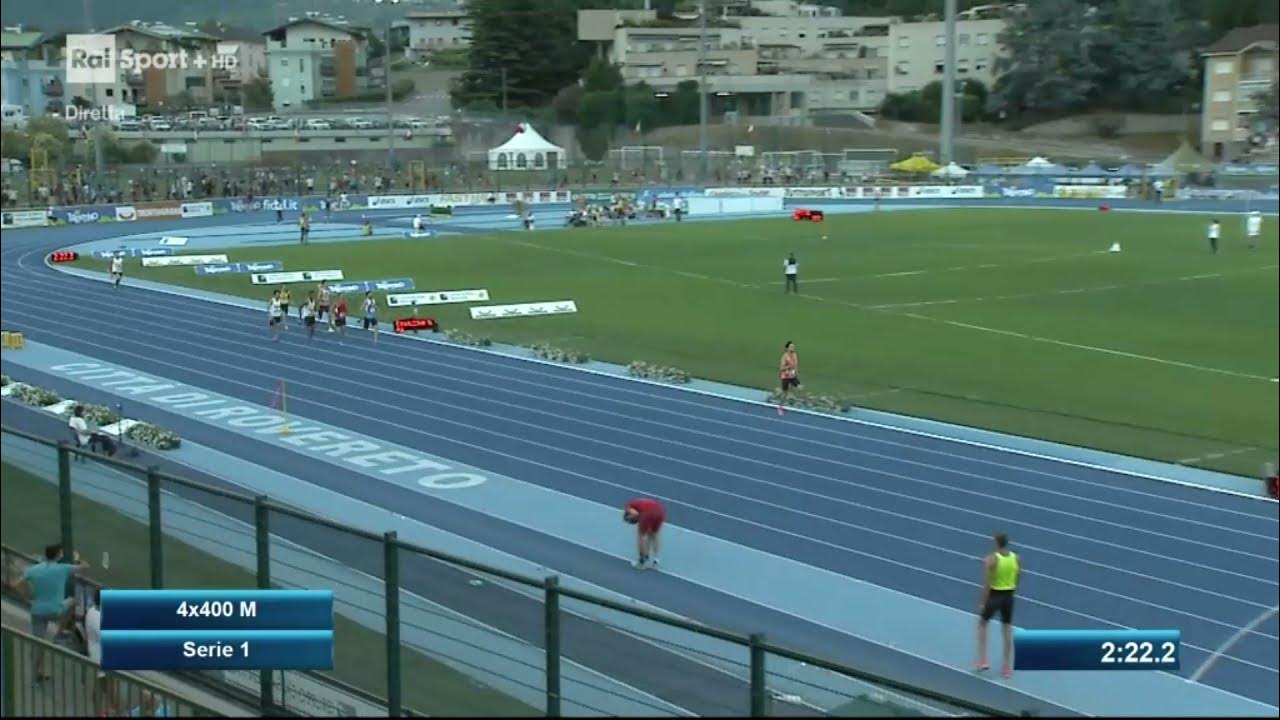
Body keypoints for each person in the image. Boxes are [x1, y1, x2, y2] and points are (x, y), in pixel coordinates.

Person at [23, 544, 89, 678]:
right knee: (72, 601)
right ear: (58, 555)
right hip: (56, 610)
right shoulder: (63, 568)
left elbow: (14, 584)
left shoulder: (34, 569)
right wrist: (77, 559)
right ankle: (59, 632)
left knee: (38, 643)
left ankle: (38, 672)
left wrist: (26, 598)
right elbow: (85, 566)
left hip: (37, 610)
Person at [976, 532, 1020, 678]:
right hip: (1009, 596)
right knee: (1006, 629)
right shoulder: (1016, 558)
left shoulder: (992, 560)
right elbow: (1018, 576)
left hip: (996, 595)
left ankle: (983, 660)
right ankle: (1006, 668)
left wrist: (983, 602)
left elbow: (987, 584)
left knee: (982, 624)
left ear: (996, 543)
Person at [623, 497, 665, 569]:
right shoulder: (637, 502)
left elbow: (635, 513)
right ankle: (656, 559)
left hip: (647, 513)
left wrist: (641, 520)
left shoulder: (628, 507)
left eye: (630, 519)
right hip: (660, 511)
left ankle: (642, 560)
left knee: (641, 536)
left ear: (628, 514)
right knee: (654, 534)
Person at [778, 341, 799, 416]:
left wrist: (797, 374)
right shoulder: (785, 356)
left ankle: (791, 399)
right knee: (784, 393)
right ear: (787, 348)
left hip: (792, 375)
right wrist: (789, 367)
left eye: (793, 346)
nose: (793, 348)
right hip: (785, 376)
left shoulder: (795, 355)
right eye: (791, 347)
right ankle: (780, 407)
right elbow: (782, 368)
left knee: (799, 387)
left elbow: (796, 365)